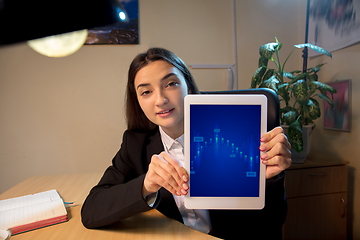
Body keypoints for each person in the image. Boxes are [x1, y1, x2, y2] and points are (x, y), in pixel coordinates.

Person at [81, 47, 292, 239]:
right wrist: (146, 185)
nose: (160, 99)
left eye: (171, 84)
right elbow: (91, 211)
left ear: (188, 88)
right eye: (146, 91)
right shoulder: (135, 143)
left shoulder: (235, 133)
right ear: (137, 101)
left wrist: (272, 180)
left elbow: (273, 223)